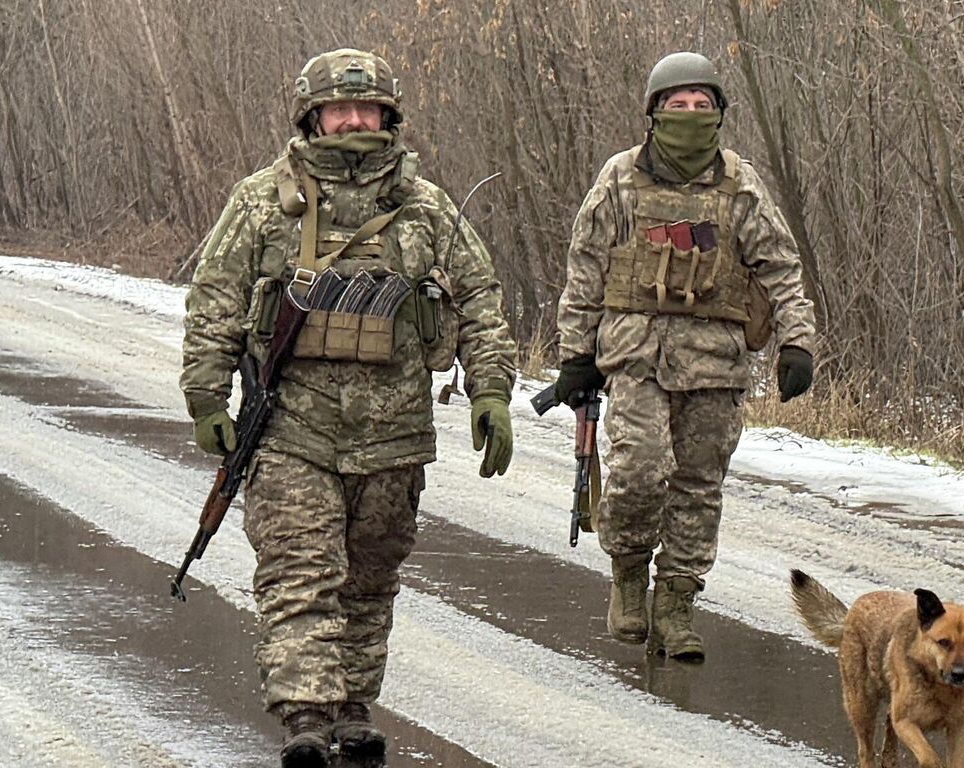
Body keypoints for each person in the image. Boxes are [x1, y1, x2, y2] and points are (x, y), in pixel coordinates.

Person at [179, 48, 518, 767]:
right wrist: (206, 393)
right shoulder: (261, 201)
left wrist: (490, 389)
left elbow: (480, 302)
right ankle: (305, 714)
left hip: (395, 438)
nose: (355, 119)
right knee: (301, 573)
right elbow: (216, 299)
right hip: (291, 428)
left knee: (369, 579)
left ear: (389, 116)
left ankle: (353, 706)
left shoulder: (426, 209)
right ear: (313, 115)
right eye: (341, 109)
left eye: (368, 110)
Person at [553, 51, 819, 661]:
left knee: (699, 485)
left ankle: (675, 602)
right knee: (640, 470)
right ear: (654, 113)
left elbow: (781, 268)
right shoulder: (620, 178)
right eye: (679, 106)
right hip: (635, 357)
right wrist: (575, 352)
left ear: (720, 115)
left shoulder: (739, 183)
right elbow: (585, 269)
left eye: (703, 106)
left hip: (717, 364)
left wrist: (797, 340)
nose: (691, 115)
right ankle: (627, 573)